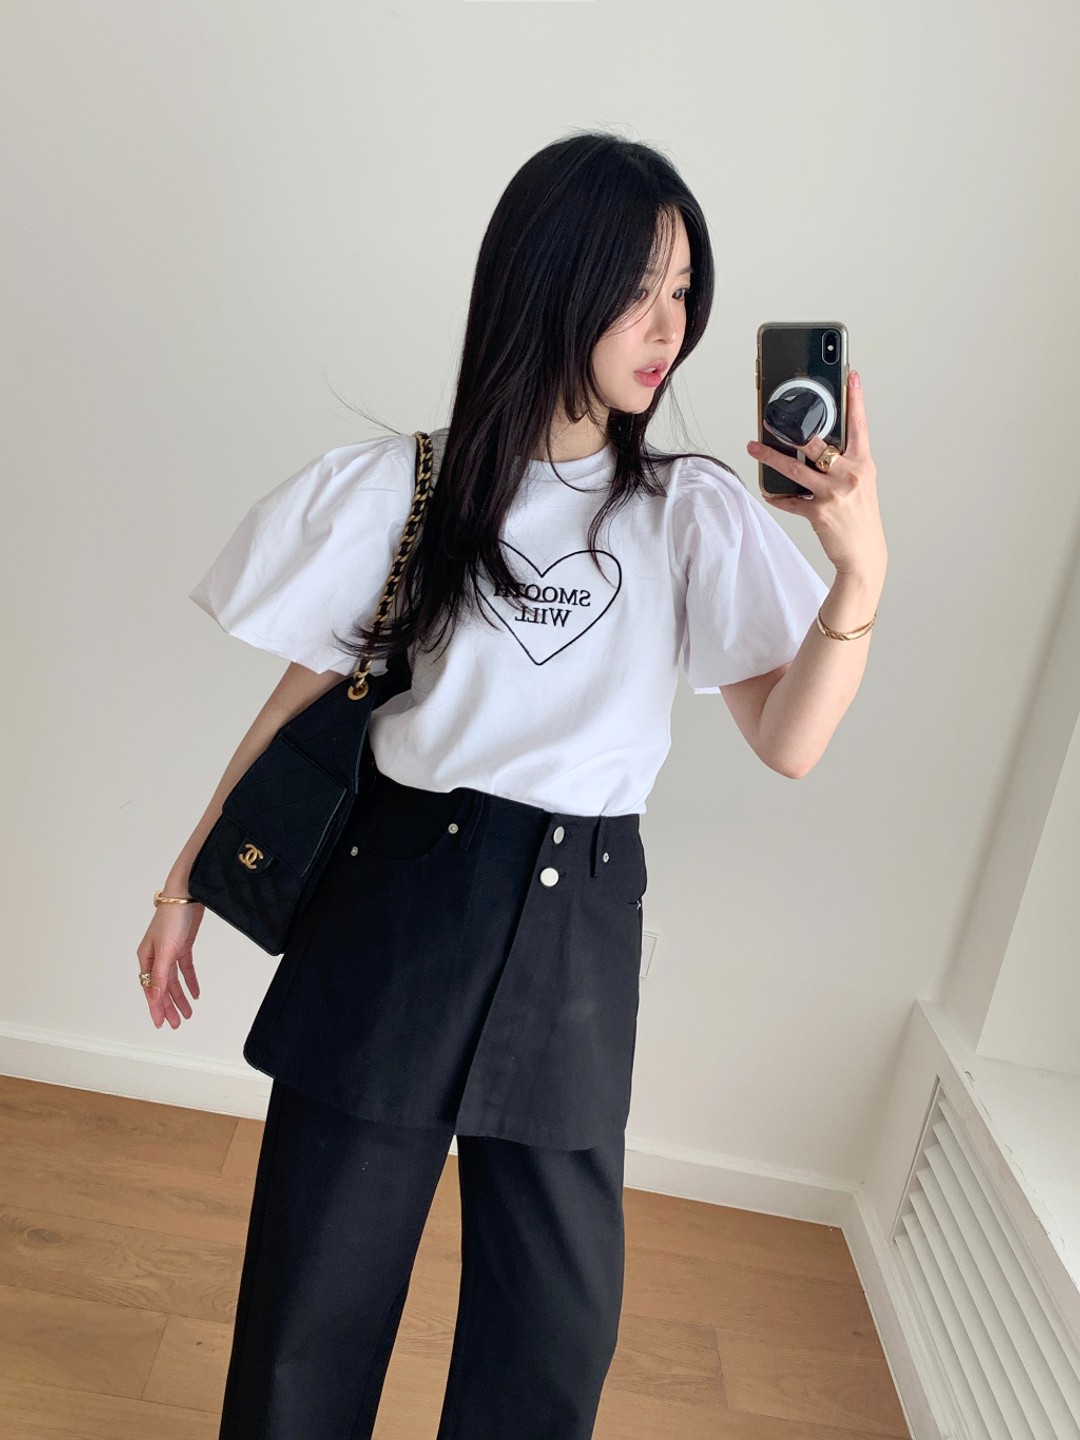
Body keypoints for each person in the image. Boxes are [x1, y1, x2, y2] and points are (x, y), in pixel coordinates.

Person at [135, 131, 886, 1440]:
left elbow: (789, 740)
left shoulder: (690, 510)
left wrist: (860, 573)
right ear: (549, 280)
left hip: (576, 927)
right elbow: (303, 700)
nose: (671, 328)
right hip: (396, 905)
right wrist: (185, 878)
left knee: (552, 1332)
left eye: (684, 292)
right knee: (313, 1303)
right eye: (637, 290)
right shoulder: (410, 488)